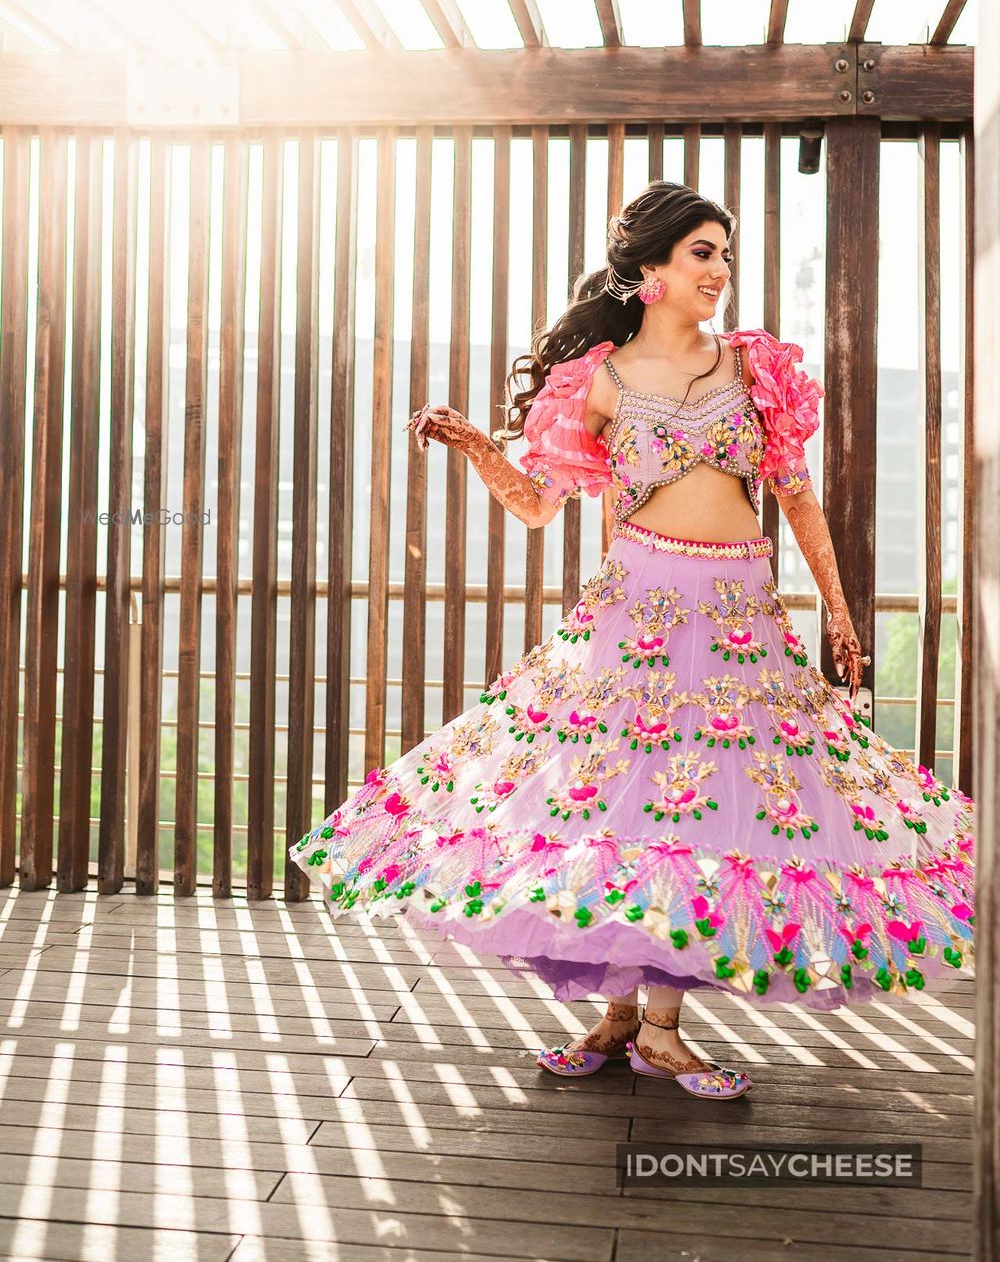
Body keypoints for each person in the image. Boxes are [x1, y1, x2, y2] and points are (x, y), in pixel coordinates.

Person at [290, 179, 975, 1102]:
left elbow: (798, 496)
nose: (721, 271)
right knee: (621, 815)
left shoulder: (753, 367)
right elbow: (538, 505)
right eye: (703, 252)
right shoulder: (599, 382)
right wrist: (475, 446)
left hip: (736, 627)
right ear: (650, 268)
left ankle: (652, 1029)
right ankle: (626, 1021)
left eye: (726, 254)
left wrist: (840, 610)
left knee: (701, 820)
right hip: (633, 624)